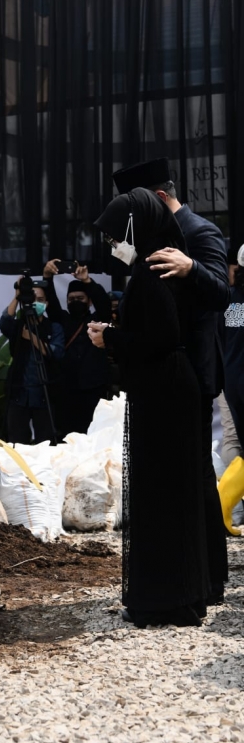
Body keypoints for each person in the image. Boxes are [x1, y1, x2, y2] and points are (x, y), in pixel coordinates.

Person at [88, 187, 210, 628]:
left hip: (169, 390)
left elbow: (161, 336)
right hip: (175, 386)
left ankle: (165, 598)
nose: (111, 245)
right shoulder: (162, 265)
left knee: (164, 493)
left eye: (114, 235)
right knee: (171, 493)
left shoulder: (155, 269)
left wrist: (111, 338)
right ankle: (176, 596)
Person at [113, 157, 229, 605]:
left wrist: (190, 268)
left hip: (194, 372)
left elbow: (222, 296)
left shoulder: (199, 234)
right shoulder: (152, 240)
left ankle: (210, 578)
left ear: (158, 199)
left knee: (199, 473)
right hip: (163, 374)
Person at [42, 261, 112, 437]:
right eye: (71, 299)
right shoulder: (63, 320)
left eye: (80, 299)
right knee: (68, 436)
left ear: (89, 301)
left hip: (94, 387)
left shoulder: (97, 320)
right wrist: (47, 277)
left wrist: (87, 281)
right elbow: (51, 305)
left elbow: (104, 304)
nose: (75, 302)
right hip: (67, 389)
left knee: (94, 433)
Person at [0, 277, 64, 444]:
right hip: (19, 393)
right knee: (17, 442)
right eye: (32, 299)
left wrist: (32, 337)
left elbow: (56, 353)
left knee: (46, 442)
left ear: (47, 304)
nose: (36, 303)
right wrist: (18, 296)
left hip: (44, 394)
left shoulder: (54, 328)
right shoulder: (19, 325)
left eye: (40, 300)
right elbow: (5, 322)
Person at [218, 245, 244, 534]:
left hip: (233, 377)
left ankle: (228, 512)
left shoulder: (236, 301)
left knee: (234, 440)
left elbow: (233, 340)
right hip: (235, 377)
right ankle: (227, 510)